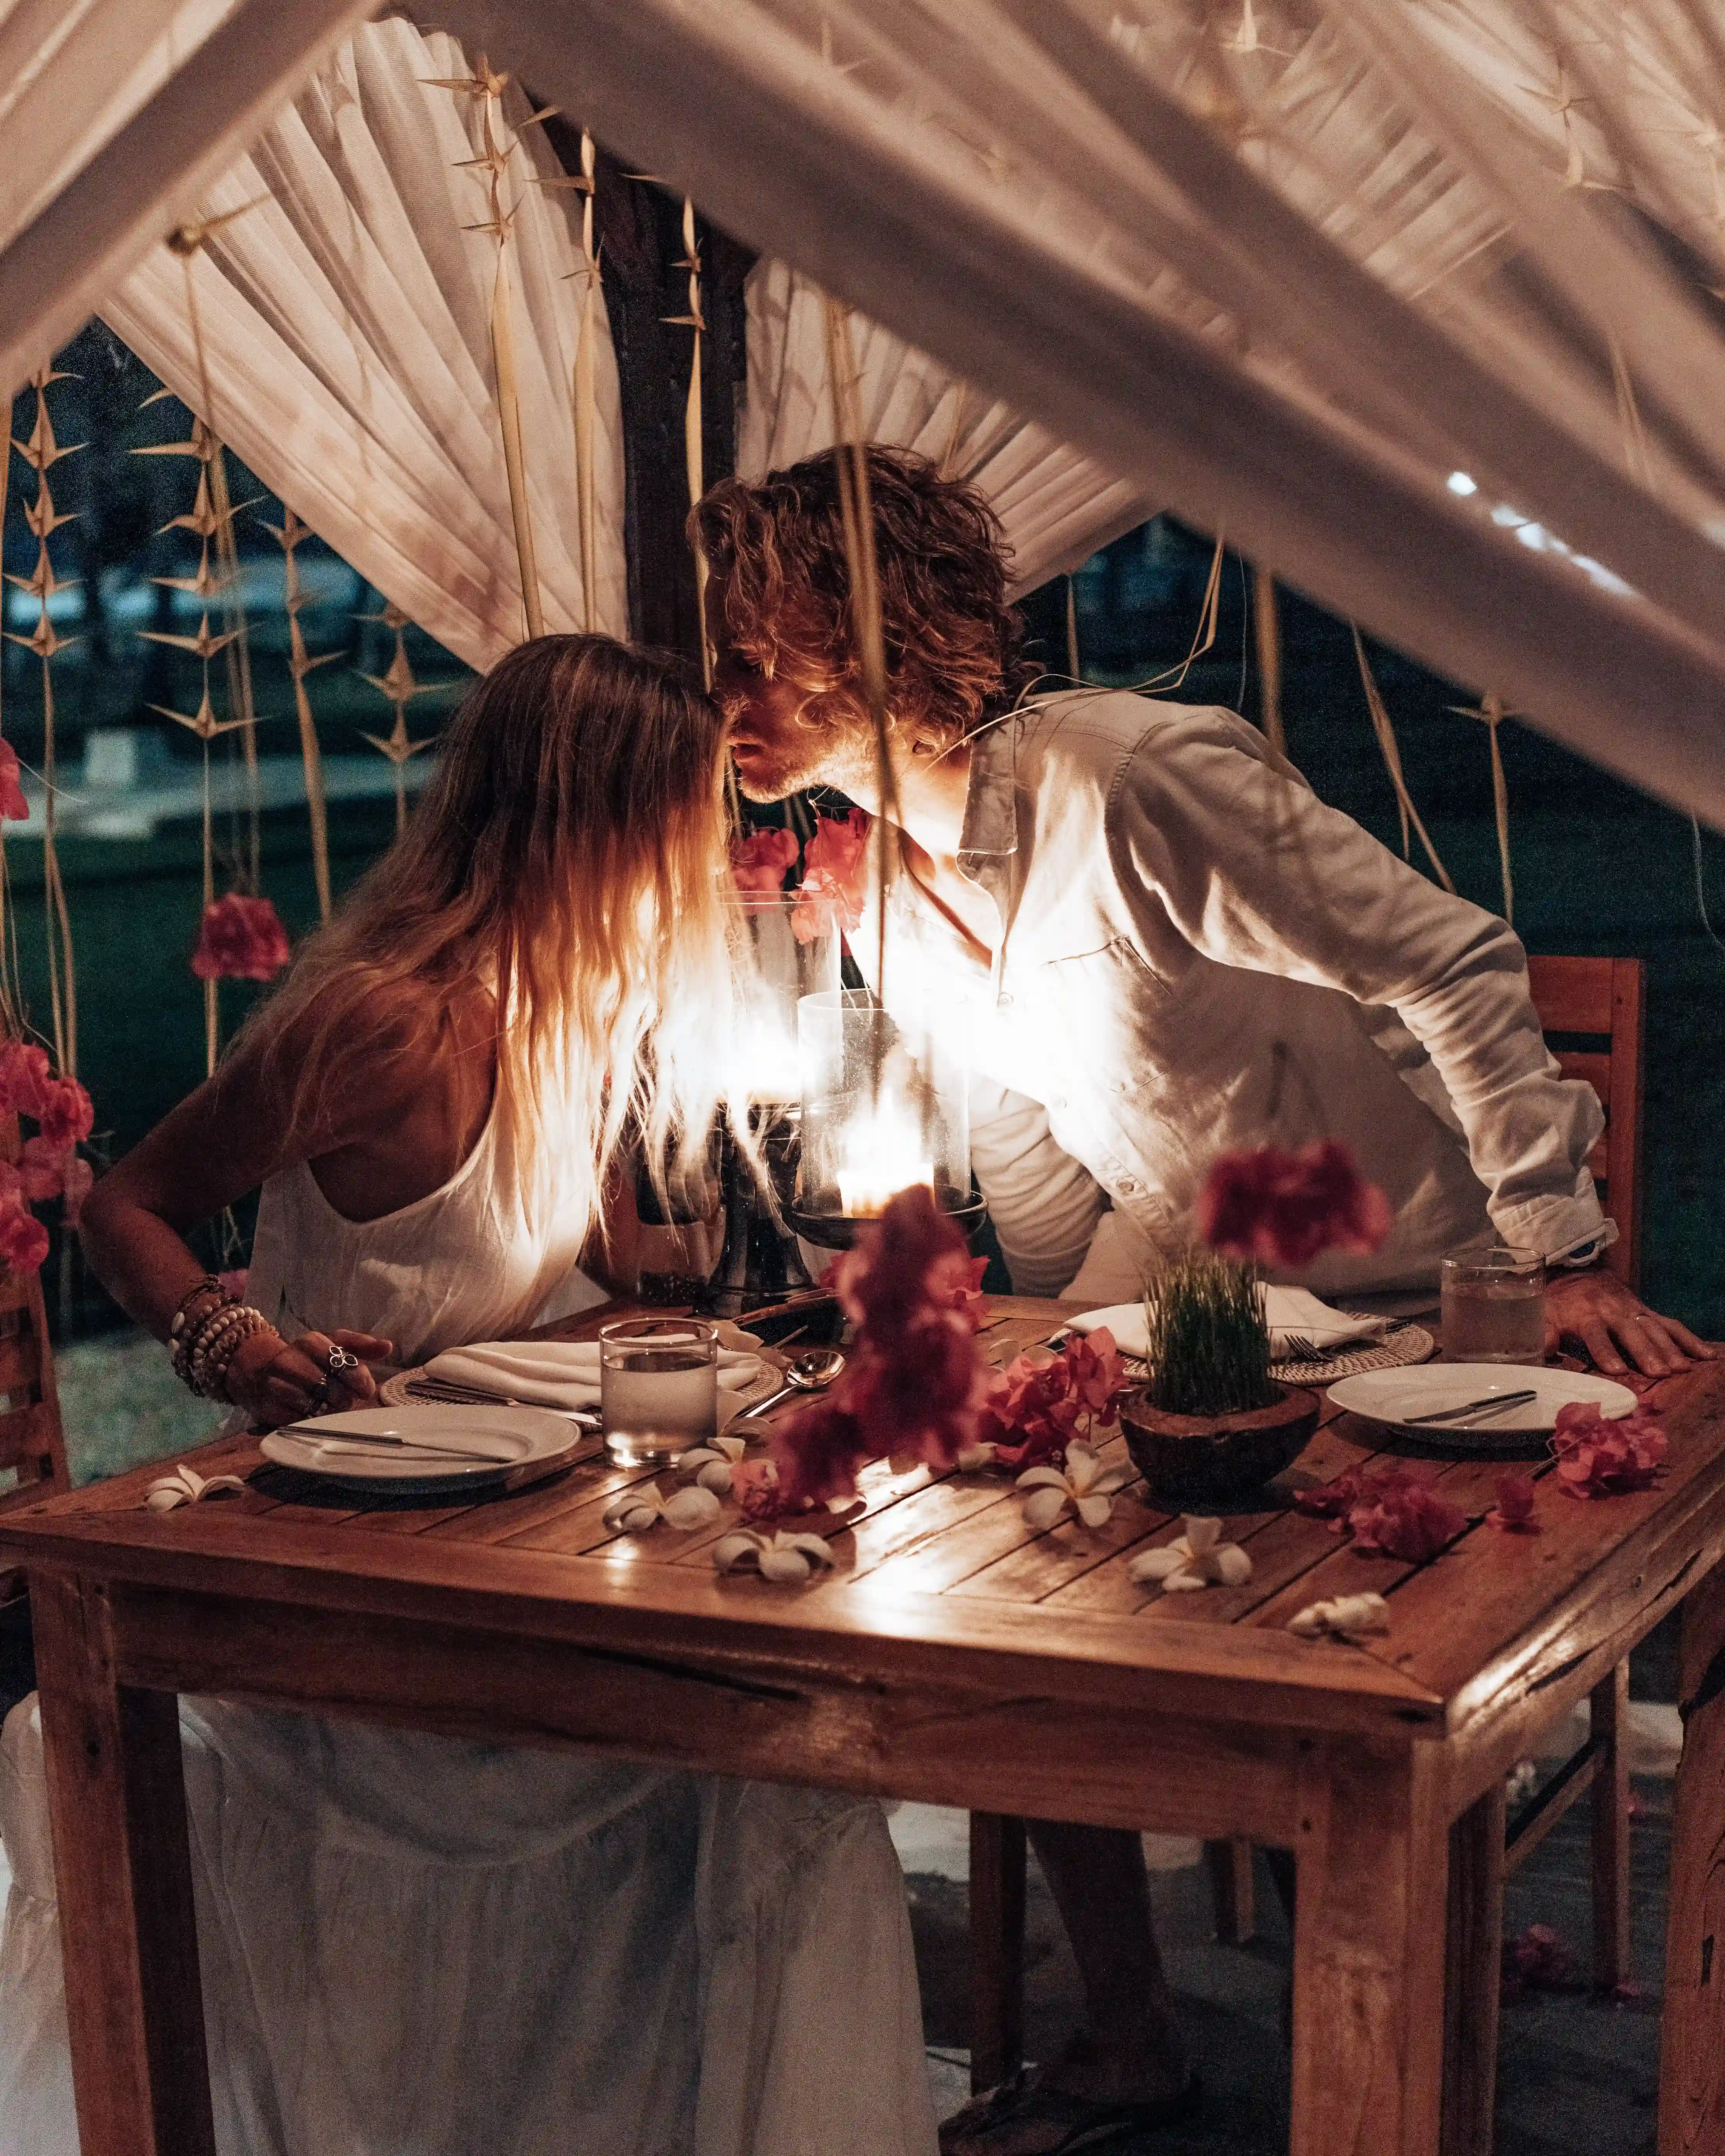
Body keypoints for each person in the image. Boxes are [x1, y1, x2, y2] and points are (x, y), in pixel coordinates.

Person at [693, 451, 1713, 2155]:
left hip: (1406, 1280)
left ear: (861, 641)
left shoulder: (1136, 780)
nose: (719, 696)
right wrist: (1013, 1355)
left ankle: (1388, 2071)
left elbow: (1453, 961)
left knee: (1311, 1618)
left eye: (748, 653)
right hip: (1195, 1282)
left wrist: (1556, 1252)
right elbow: (1028, 1163)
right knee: (982, 1533)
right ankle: (1126, 2027)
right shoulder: (885, 889)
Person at [0, 634, 938, 2156]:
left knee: (797, 1741)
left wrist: (725, 1251)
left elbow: (587, 1264)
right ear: (597, 821)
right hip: (346, 1582)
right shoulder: (391, 1017)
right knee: (772, 1775)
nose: (709, 851)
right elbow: (131, 1202)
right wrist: (226, 1344)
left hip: (506, 1533)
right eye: (685, 815)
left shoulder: (581, 998)